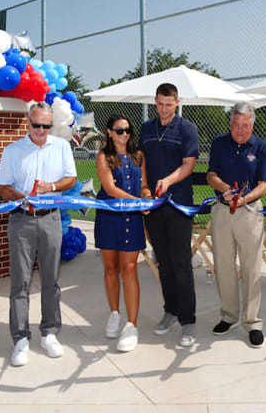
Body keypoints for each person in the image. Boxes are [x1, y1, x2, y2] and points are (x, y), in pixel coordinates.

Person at [0, 102, 76, 367]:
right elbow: (3, 187)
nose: (41, 130)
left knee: (52, 280)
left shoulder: (62, 147)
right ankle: (20, 338)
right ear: (27, 123)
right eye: (36, 125)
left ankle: (50, 332)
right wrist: (23, 198)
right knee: (20, 282)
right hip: (22, 220)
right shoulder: (13, 151)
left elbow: (71, 179)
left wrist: (50, 187)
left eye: (46, 126)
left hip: (52, 218)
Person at [206, 102, 266, 347]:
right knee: (223, 266)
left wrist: (243, 198)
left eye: (245, 125)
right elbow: (210, 175)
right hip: (222, 211)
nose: (240, 129)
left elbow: (264, 184)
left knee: (252, 267)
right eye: (236, 124)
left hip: (249, 211)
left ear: (252, 124)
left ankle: (252, 322)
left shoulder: (262, 147)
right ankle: (229, 316)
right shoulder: (219, 143)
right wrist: (226, 190)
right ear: (230, 123)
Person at [138, 83, 201, 347]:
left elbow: (189, 164)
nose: (164, 109)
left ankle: (187, 320)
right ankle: (170, 311)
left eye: (169, 104)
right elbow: (141, 160)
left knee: (181, 263)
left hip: (178, 204)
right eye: (160, 103)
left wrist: (168, 180)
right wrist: (143, 187)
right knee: (163, 261)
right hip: (153, 206)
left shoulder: (188, 129)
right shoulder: (146, 128)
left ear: (177, 102)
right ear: (155, 101)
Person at [94, 114, 151, 352]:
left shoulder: (139, 156)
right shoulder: (103, 157)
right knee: (110, 267)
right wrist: (137, 201)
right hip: (109, 217)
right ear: (109, 132)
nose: (124, 135)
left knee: (129, 268)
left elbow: (144, 185)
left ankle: (132, 324)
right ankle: (115, 313)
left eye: (127, 130)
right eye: (119, 131)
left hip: (132, 218)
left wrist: (146, 197)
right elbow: (110, 188)